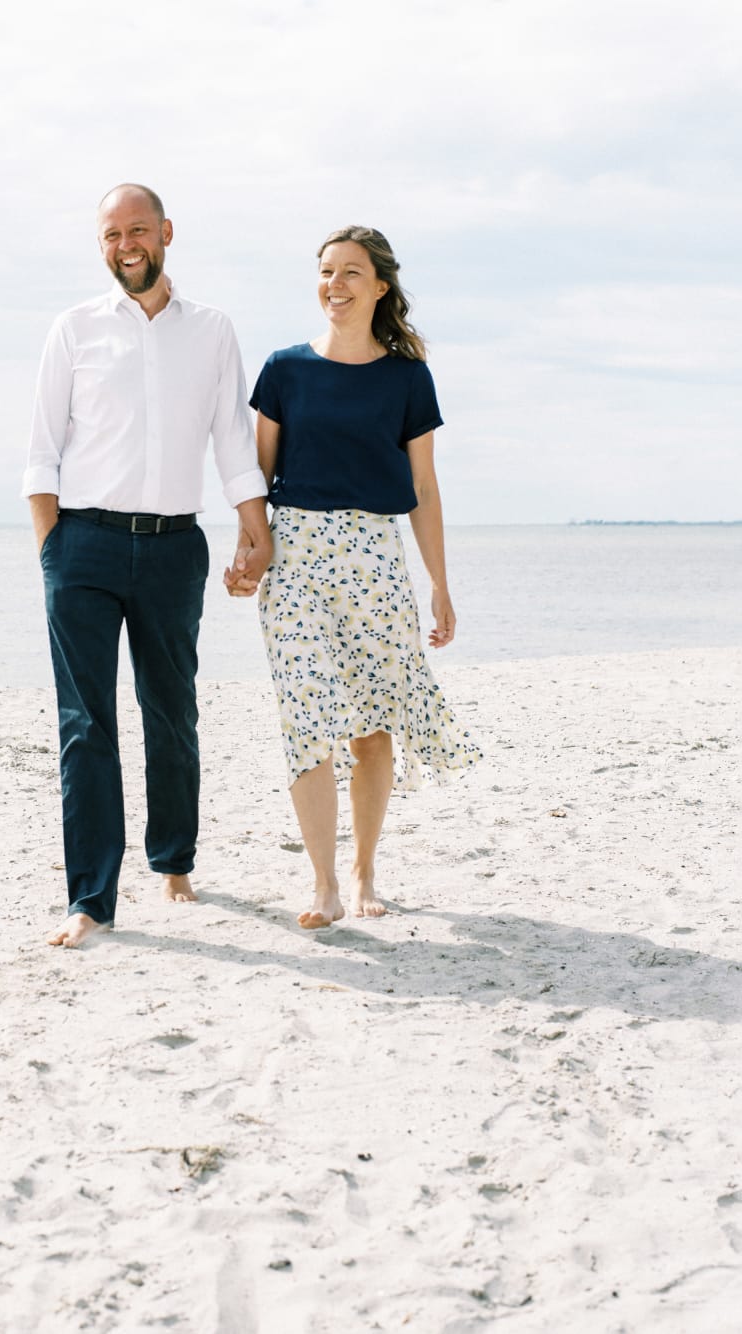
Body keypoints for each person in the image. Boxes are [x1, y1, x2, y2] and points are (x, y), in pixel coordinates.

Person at [24, 183, 272, 949]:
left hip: (173, 546)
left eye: (137, 230)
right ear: (100, 245)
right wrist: (53, 552)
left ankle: (174, 860)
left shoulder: (213, 331)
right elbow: (41, 453)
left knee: (172, 712)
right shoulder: (74, 330)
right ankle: (91, 900)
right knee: (84, 725)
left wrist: (252, 530)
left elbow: (233, 440)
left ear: (166, 232)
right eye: (110, 235)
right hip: (84, 546)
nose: (125, 245)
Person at [230, 224, 482, 930]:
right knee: (306, 721)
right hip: (298, 561)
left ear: (379, 286)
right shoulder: (283, 369)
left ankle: (366, 868)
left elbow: (424, 489)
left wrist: (439, 582)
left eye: (348, 273)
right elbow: (257, 478)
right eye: (325, 272)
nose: (333, 285)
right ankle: (323, 884)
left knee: (373, 730)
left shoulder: (407, 377)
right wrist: (250, 549)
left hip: (376, 559)